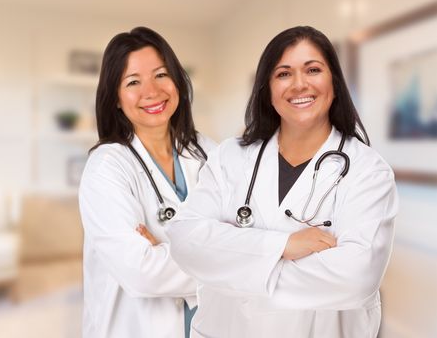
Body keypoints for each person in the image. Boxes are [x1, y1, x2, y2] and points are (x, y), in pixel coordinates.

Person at [165, 26, 398, 338]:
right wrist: (283, 245)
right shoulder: (230, 157)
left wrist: (231, 264)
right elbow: (185, 240)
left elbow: (356, 277)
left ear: (335, 83)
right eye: (284, 74)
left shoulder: (368, 171)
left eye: (313, 70)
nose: (299, 84)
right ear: (268, 89)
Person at [78, 26, 216, 338]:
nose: (151, 91)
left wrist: (164, 250)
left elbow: (247, 230)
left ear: (177, 81)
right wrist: (229, 257)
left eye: (161, 75)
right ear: (115, 97)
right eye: (133, 82)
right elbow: (142, 273)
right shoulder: (107, 167)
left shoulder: (208, 151)